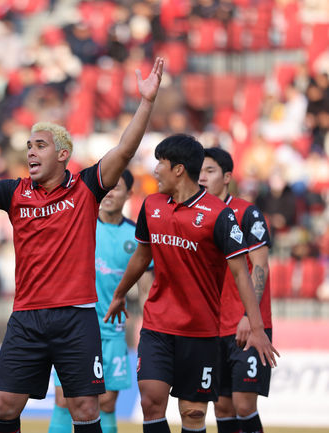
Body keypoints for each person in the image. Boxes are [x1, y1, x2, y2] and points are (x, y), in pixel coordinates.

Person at [0, 57, 164, 433]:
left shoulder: (87, 187)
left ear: (63, 154)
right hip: (27, 317)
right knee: (3, 405)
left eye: (40, 145)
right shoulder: (15, 192)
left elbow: (123, 150)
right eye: (28, 146)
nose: (31, 152)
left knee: (86, 406)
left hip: (75, 317)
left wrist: (147, 102)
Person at [104, 134, 279, 433]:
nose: (155, 170)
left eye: (161, 163)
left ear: (179, 169)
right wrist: (120, 294)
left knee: (194, 412)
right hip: (158, 325)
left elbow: (242, 272)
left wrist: (257, 325)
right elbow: (141, 255)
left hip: (200, 330)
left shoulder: (220, 215)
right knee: (151, 401)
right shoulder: (151, 206)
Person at [48, 169, 154, 433]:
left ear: (129, 194)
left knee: (106, 403)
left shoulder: (136, 236)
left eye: (116, 188)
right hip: (73, 329)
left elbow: (147, 287)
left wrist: (149, 326)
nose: (109, 193)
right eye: (106, 187)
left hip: (112, 331)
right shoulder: (78, 224)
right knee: (64, 400)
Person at [199, 148, 273, 433]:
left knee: (244, 405)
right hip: (212, 328)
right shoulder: (199, 214)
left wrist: (249, 317)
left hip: (248, 325)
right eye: (200, 171)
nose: (202, 177)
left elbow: (260, 267)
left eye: (210, 170)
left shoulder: (247, 213)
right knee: (222, 406)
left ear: (227, 176)